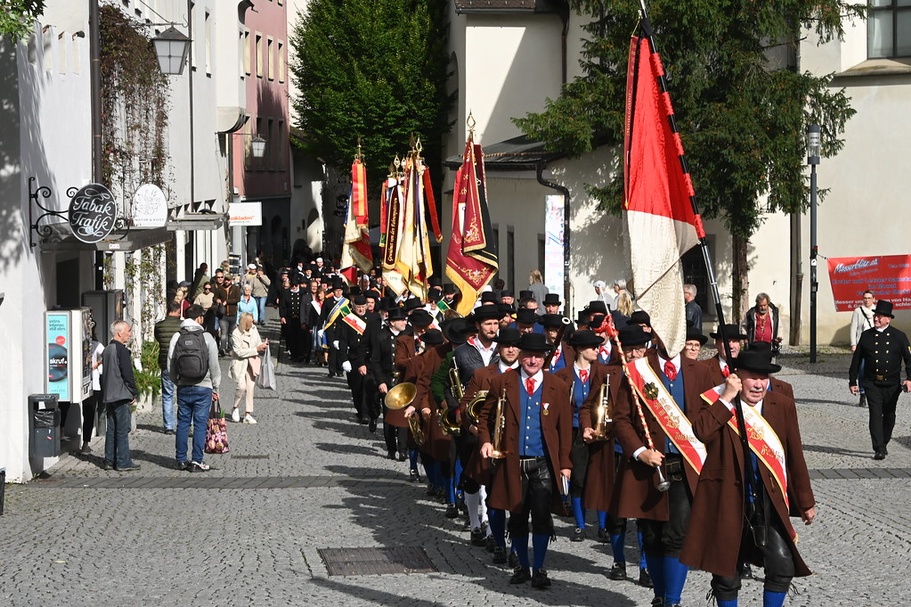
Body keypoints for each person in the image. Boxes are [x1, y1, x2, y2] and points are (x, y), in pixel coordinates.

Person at [681, 349, 817, 607]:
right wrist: (726, 399)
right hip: (726, 498)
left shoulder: (782, 404)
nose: (759, 384)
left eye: (763, 377)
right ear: (736, 377)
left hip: (767, 499)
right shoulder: (717, 401)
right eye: (752, 377)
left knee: (781, 565)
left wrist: (805, 501)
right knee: (727, 575)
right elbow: (701, 432)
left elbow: (794, 455)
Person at [612, 328, 715, 607]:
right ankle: (659, 595)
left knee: (677, 535)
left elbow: (713, 416)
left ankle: (672, 600)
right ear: (655, 337)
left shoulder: (702, 371)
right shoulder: (638, 370)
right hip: (647, 466)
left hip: (685, 465)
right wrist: (639, 451)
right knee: (652, 536)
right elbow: (620, 418)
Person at [479, 332, 572, 589]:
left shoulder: (558, 386)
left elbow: (565, 429)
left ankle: (540, 567)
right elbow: (485, 417)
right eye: (528, 355)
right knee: (517, 516)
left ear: (544, 358)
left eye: (538, 356)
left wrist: (565, 464)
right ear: (520, 355)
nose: (532, 361)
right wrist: (486, 441)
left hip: (542, 462)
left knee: (541, 515)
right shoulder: (502, 382)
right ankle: (522, 564)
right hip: (512, 462)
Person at [848, 300, 911, 460]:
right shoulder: (867, 336)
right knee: (875, 414)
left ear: (888, 319)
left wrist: (910, 378)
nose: (876, 319)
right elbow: (856, 360)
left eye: (880, 317)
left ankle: (884, 441)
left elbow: (909, 360)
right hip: (872, 383)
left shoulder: (899, 336)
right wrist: (852, 381)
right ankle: (879, 448)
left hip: (892, 384)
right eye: (875, 316)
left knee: (889, 415)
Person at [169, 304, 222, 472]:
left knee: (183, 423)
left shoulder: (177, 336)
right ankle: (196, 461)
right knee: (200, 424)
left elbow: (170, 362)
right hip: (203, 386)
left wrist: (177, 382)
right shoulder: (206, 337)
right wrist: (216, 386)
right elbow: (214, 364)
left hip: (184, 385)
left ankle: (181, 460)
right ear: (200, 318)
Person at [101, 320, 139, 471]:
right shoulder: (121, 350)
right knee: (122, 429)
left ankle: (109, 460)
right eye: (128, 331)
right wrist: (133, 392)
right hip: (121, 393)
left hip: (109, 394)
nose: (129, 334)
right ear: (119, 332)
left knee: (111, 429)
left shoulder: (107, 349)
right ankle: (123, 461)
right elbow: (127, 374)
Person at [230, 312, 268, 424]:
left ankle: (248, 413)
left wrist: (263, 345)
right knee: (241, 387)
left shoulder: (254, 329)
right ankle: (235, 407)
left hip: (252, 362)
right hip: (240, 363)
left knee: (250, 388)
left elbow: (257, 342)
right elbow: (239, 352)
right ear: (245, 322)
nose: (253, 323)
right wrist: (256, 349)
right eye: (251, 321)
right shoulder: (236, 333)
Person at [154, 301, 184, 434]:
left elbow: (158, 339)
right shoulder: (181, 326)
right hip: (181, 364)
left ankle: (168, 426)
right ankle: (184, 424)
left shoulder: (159, 326)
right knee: (183, 394)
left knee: (167, 395)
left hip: (165, 362)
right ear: (178, 311)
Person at [81, 325, 105, 454]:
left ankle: (85, 443)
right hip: (92, 383)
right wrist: (97, 364)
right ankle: (85, 444)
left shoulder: (95, 344)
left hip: (90, 383)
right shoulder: (96, 344)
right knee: (89, 413)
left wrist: (96, 364)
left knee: (88, 413)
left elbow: (106, 354)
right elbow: (106, 355)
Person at [850, 290, 876, 407]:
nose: (867, 300)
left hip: (875, 344)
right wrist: (853, 343)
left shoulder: (877, 310)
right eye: (865, 298)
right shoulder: (858, 311)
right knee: (861, 368)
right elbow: (853, 328)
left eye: (869, 298)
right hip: (862, 343)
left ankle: (874, 393)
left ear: (874, 299)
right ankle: (863, 393)